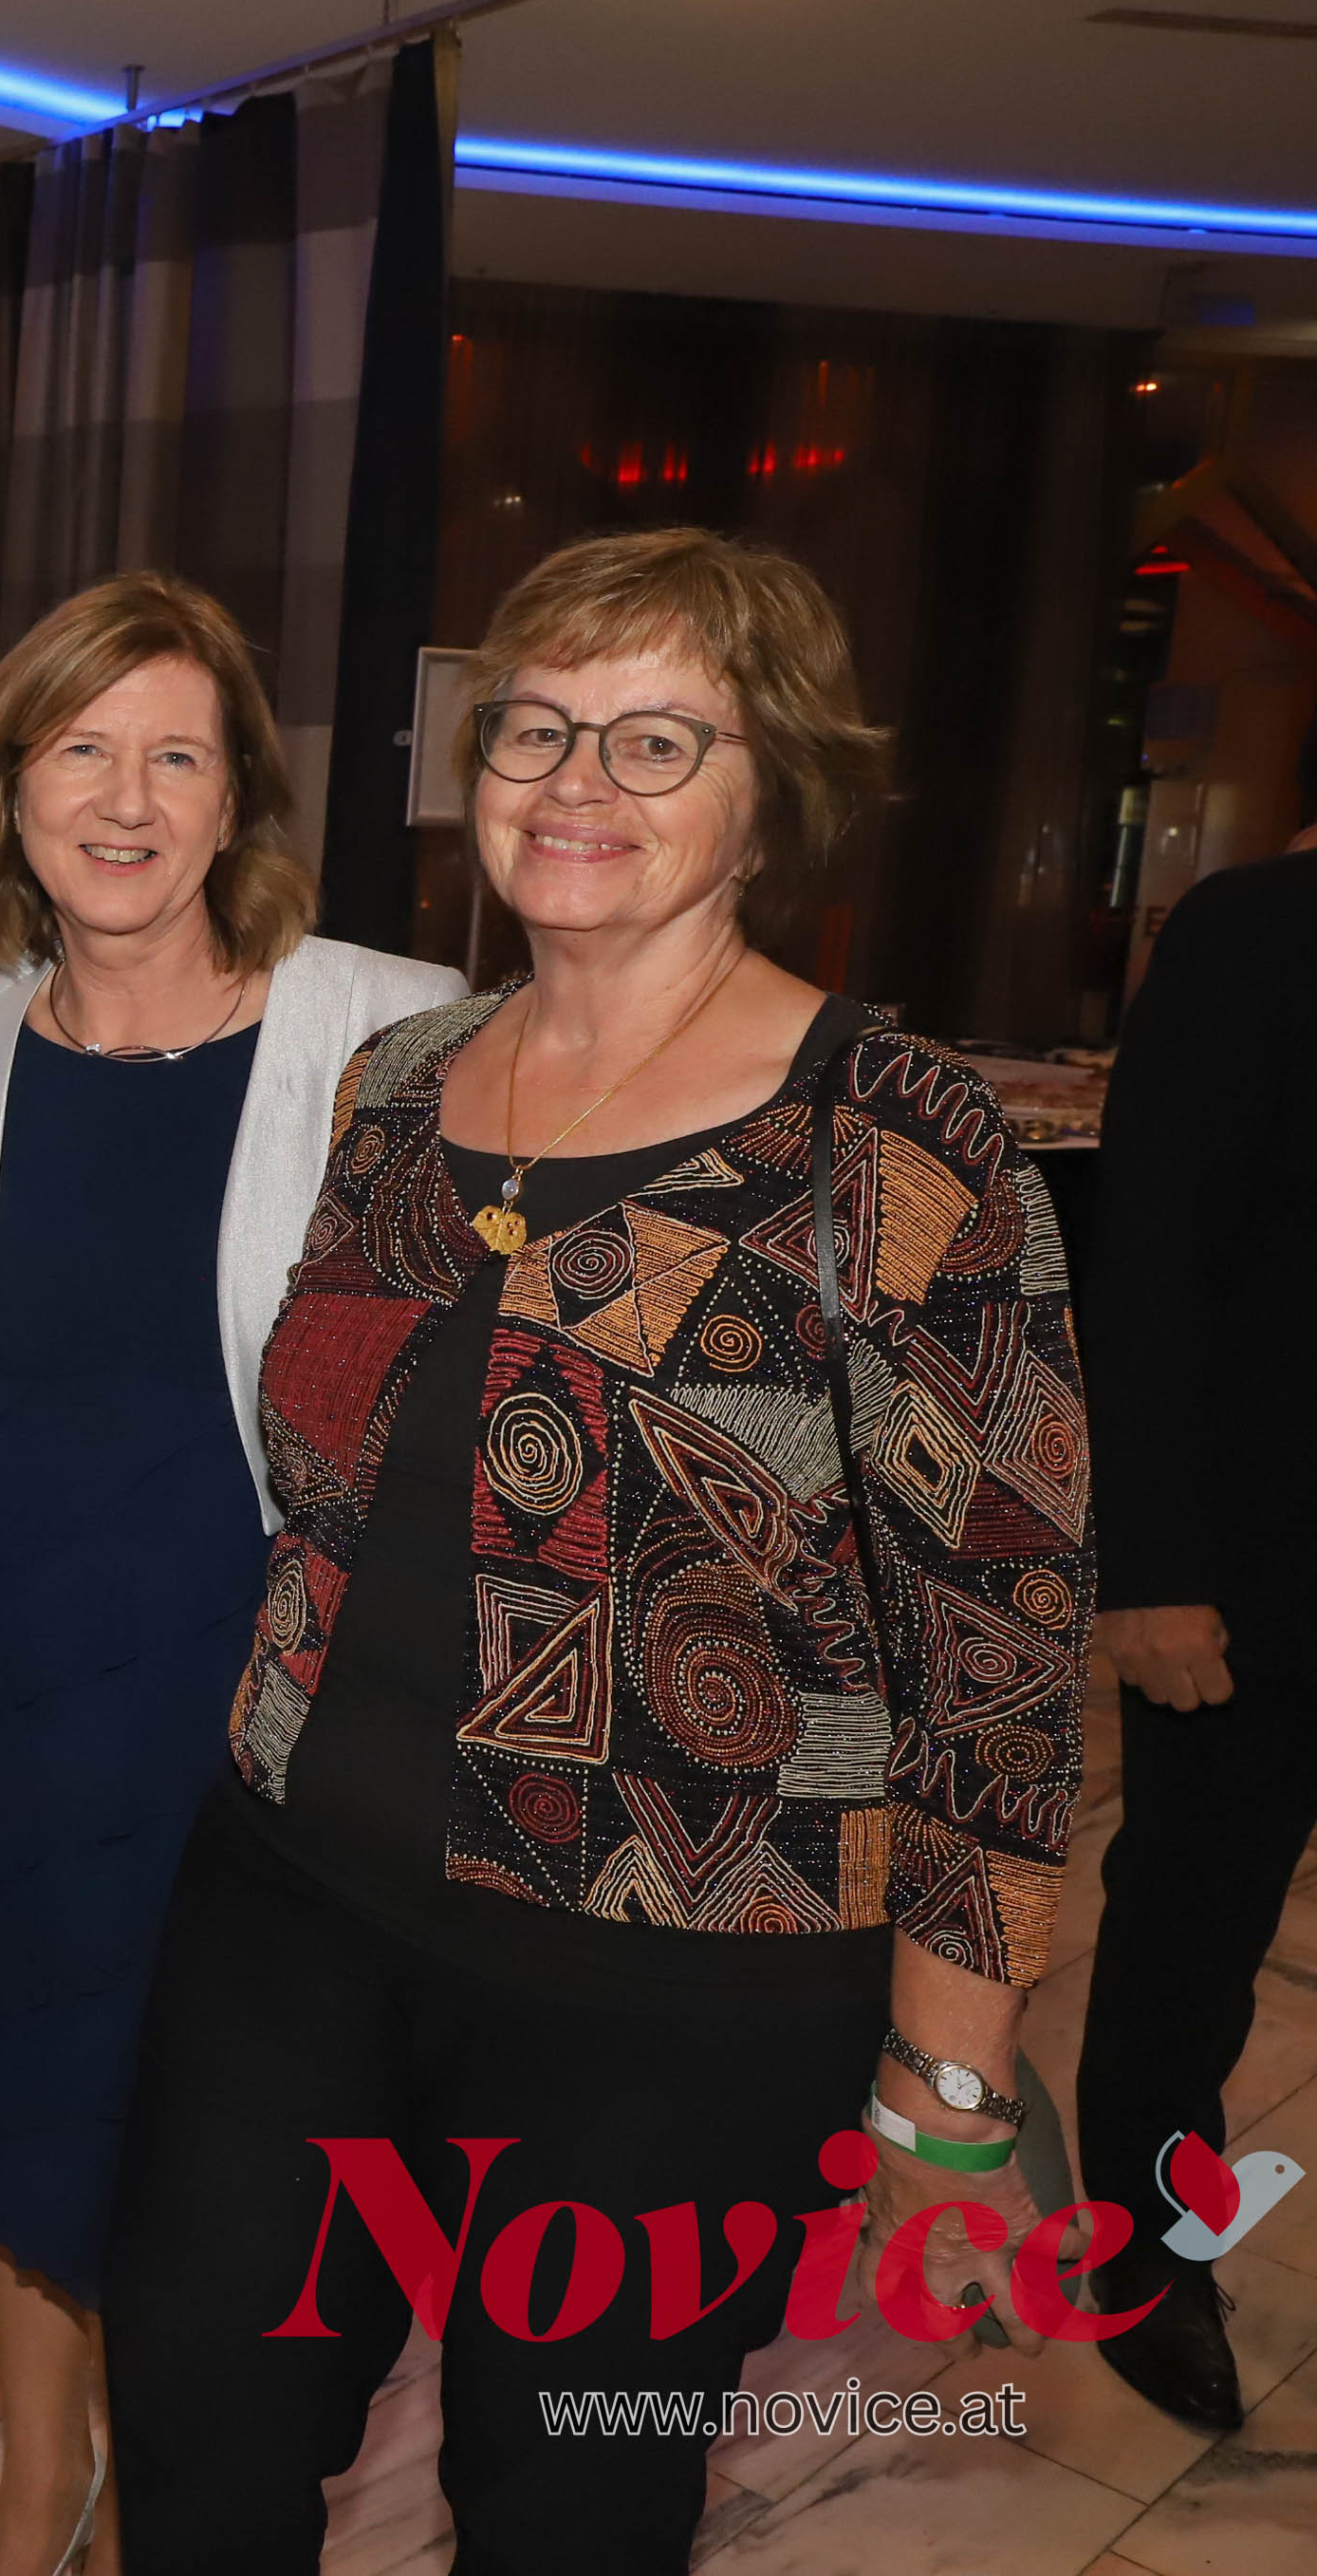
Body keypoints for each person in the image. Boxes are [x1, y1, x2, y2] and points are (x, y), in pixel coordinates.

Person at [98, 527, 1092, 2568]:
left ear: (768, 794)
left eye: (655, 740)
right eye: (537, 727)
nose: (575, 781)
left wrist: (949, 2089)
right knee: (196, 2440)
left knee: (567, 2502)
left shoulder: (893, 1137)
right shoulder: (395, 1085)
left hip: (671, 1988)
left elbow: (996, 1660)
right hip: (291, 1904)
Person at [0, 573, 457, 2576]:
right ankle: (41, 2482)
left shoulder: (381, 1022)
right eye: (80, 749)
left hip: (249, 1652)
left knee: (206, 2118)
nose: (123, 801)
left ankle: (178, 2495)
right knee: (21, 2074)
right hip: (5, 1637)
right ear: (10, 787)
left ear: (236, 800)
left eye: (175, 756)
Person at [1074, 817, 1317, 2436]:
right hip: (1260, 1571)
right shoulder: (1258, 931)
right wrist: (1145, 1565)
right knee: (1190, 1930)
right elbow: (1148, 1257)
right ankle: (1147, 2249)